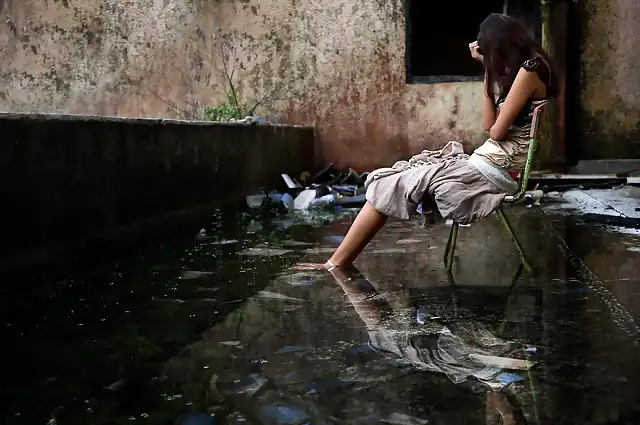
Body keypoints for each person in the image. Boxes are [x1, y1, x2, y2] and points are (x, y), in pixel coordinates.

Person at [296, 13, 557, 272]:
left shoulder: (529, 70)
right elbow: (488, 124)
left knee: (392, 183)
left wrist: (489, 65)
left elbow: (496, 133)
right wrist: (487, 68)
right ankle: (337, 262)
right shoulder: (529, 66)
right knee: (400, 175)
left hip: (495, 169)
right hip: (489, 162)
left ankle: (335, 263)